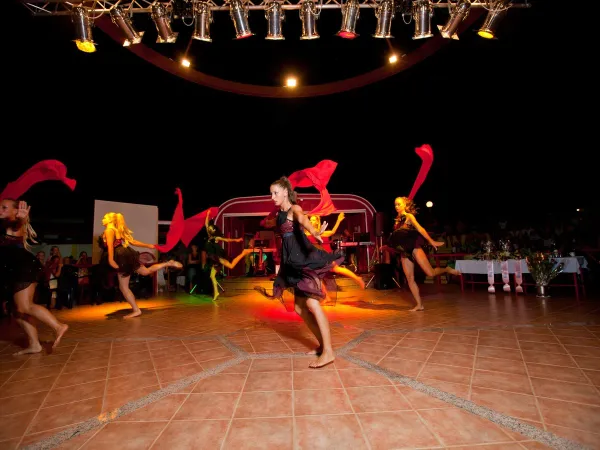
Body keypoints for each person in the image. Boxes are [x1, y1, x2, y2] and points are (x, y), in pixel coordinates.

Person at [256, 176, 347, 369]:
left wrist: (314, 232)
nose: (272, 197)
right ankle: (322, 345)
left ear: (286, 192)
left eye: (275, 193)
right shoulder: (280, 214)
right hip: (293, 264)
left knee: (313, 304)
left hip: (305, 261)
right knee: (299, 309)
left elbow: (303, 219)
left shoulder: (293, 209)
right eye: (270, 193)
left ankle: (329, 352)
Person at [0, 199, 69, 354]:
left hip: (23, 267)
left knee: (25, 306)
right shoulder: (3, 226)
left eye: (4, 208)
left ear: (15, 211)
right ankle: (34, 344)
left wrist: (22, 218)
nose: (1, 210)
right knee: (17, 313)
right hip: (13, 270)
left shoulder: (13, 224)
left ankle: (58, 326)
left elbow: (18, 224)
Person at [382, 197, 460, 311]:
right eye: (395, 205)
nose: (396, 206)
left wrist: (431, 241)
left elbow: (420, 229)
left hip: (414, 248)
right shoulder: (397, 221)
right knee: (410, 278)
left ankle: (447, 269)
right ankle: (419, 305)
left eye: (399, 204)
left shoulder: (409, 216)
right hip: (404, 252)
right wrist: (387, 247)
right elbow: (398, 240)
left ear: (405, 205)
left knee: (430, 273)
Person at [100, 212, 182, 318]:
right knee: (145, 272)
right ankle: (168, 263)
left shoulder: (109, 230)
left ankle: (136, 310)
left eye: (105, 217)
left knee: (123, 287)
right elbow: (133, 242)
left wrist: (111, 261)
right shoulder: (117, 230)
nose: (103, 219)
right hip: (126, 255)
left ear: (111, 220)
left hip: (121, 257)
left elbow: (111, 247)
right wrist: (149, 245)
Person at [204, 210, 253, 303]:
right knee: (212, 276)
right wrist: (207, 214)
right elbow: (206, 224)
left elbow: (227, 240)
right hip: (214, 259)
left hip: (217, 259)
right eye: (211, 228)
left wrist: (237, 239)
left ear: (213, 231)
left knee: (229, 267)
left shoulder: (215, 238)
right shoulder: (209, 236)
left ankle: (243, 253)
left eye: (212, 229)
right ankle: (216, 293)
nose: (210, 229)